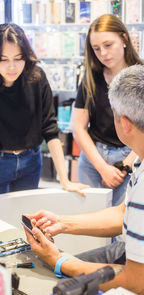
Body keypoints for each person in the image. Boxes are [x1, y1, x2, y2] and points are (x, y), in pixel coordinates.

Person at [25, 65, 144, 295]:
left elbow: (137, 282)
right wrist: (62, 223)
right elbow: (123, 214)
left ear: (125, 123)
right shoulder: (139, 157)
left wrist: (59, 261)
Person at [0, 23, 88, 220]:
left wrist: (65, 180)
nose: (12, 67)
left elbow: (50, 128)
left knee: (25, 222)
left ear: (26, 56)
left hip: (30, 161)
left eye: (18, 58)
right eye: (3, 60)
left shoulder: (36, 78)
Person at [73, 14, 143, 207]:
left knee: (122, 226)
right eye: (96, 48)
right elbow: (79, 127)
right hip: (93, 159)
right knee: (90, 221)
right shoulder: (90, 77)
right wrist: (103, 168)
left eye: (108, 45)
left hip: (132, 157)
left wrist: (126, 165)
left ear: (124, 39)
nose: (103, 53)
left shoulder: (140, 77)